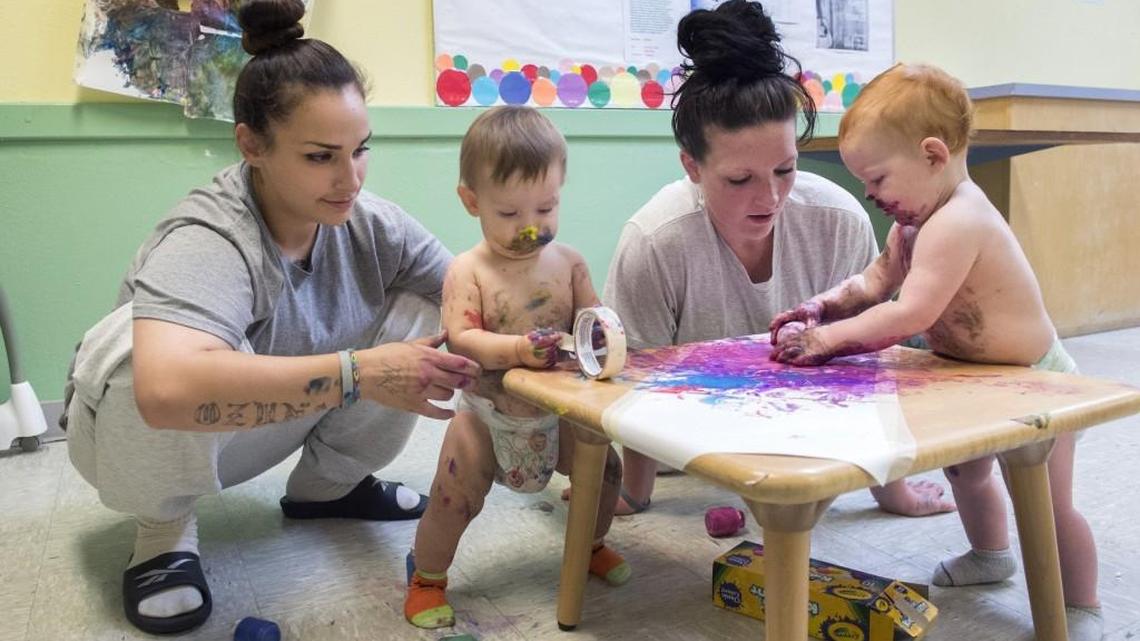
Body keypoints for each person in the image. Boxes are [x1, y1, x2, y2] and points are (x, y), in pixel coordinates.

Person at [61, 0, 481, 634]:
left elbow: (469, 291)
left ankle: (329, 486)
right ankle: (163, 529)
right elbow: (164, 391)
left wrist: (551, 315)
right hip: (140, 437)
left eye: (360, 149)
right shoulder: (209, 235)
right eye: (320, 156)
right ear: (251, 145)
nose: (351, 179)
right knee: (142, 351)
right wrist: (360, 371)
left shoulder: (371, 224)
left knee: (434, 307)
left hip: (259, 424)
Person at [577, 0, 954, 519]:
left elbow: (870, 367)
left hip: (805, 432)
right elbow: (634, 383)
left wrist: (895, 492)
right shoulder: (655, 241)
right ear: (692, 165)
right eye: (740, 180)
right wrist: (635, 496)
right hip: (683, 443)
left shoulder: (837, 219)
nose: (770, 197)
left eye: (785, 169)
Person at [769, 63, 1102, 641]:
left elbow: (909, 314)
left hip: (1037, 380)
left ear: (931, 154)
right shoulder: (914, 221)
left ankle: (1081, 607)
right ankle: (991, 554)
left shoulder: (959, 218)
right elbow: (875, 282)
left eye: (876, 180)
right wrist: (821, 308)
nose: (872, 198)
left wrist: (825, 342)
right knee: (967, 474)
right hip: (973, 379)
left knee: (1048, 506)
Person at [403, 106, 629, 630]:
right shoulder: (469, 269)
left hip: (558, 410)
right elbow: (464, 338)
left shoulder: (568, 263)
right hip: (488, 414)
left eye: (546, 208)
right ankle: (427, 578)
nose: (531, 228)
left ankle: (590, 545)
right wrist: (518, 350)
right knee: (452, 497)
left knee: (606, 471)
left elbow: (592, 316)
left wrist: (601, 334)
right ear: (471, 201)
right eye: (509, 214)